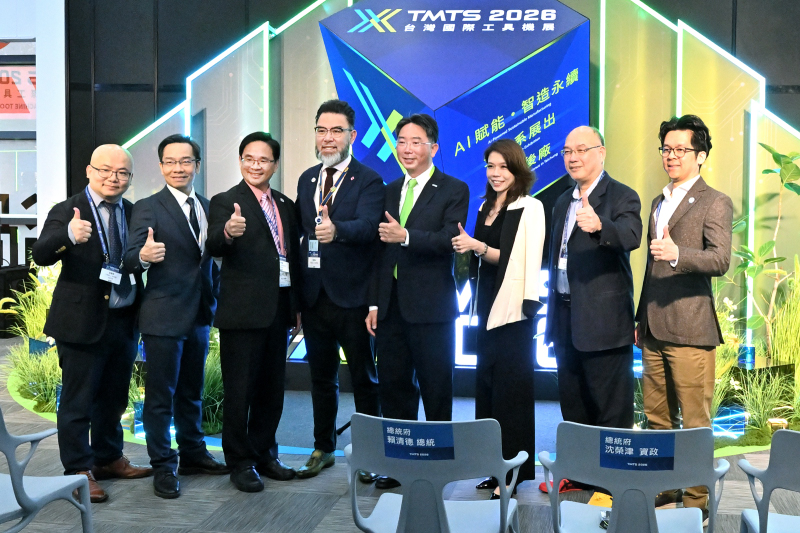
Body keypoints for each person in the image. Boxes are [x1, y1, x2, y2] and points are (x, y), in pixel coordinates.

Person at [32, 145, 152, 503]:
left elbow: (133, 259)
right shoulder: (67, 210)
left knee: (114, 398)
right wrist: (67, 237)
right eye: (105, 170)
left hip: (124, 320)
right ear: (89, 171)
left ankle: (108, 457)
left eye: (122, 173)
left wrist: (145, 259)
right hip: (81, 323)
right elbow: (41, 254)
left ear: (130, 178)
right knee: (78, 401)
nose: (113, 178)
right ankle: (78, 469)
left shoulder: (133, 212)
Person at [635, 115, 732, 519]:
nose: (671, 156)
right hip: (653, 327)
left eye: (680, 149)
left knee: (694, 423)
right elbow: (650, 268)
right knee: (657, 418)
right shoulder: (658, 202)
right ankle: (664, 486)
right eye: (666, 149)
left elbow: (720, 259)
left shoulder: (715, 201)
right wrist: (639, 318)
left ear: (701, 155)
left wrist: (679, 254)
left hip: (692, 328)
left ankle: (696, 502)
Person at [366, 113, 469, 489]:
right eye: (401, 142)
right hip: (390, 306)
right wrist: (374, 304)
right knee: (393, 387)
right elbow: (380, 252)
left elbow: (449, 240)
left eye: (415, 142)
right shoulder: (389, 189)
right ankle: (399, 464)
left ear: (433, 148)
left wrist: (406, 236)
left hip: (432, 307)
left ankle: (439, 465)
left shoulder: (453, 189)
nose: (407, 149)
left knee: (436, 387)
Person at [124, 134, 226, 499]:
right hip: (163, 314)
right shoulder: (148, 207)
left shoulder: (209, 206)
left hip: (199, 313)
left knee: (191, 392)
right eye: (170, 161)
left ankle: (193, 453)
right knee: (160, 397)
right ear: (161, 166)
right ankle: (163, 465)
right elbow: (129, 258)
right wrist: (143, 256)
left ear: (197, 165)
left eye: (185, 161)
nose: (178, 168)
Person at [542, 126, 642, 493]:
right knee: (574, 402)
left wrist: (601, 226)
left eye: (581, 149)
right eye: (567, 151)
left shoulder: (621, 195)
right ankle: (580, 473)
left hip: (604, 322)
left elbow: (632, 236)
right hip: (565, 317)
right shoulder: (561, 201)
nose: (573, 157)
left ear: (601, 152)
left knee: (610, 406)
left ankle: (614, 482)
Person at [294, 100, 384, 481]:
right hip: (315, 297)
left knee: (364, 379)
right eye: (321, 130)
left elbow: (369, 227)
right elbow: (302, 236)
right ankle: (323, 447)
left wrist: (337, 231)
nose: (327, 138)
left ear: (352, 135)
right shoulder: (306, 179)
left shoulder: (369, 180)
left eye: (336, 131)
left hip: (354, 298)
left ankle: (370, 454)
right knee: (321, 378)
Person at [206, 132, 301, 492]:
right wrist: (228, 232)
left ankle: (265, 454)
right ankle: (240, 462)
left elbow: (290, 257)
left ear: (275, 165)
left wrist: (296, 307)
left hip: (279, 309)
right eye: (249, 158)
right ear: (240, 160)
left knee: (271, 390)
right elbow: (214, 243)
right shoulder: (225, 201)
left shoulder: (285, 204)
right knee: (240, 391)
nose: (255, 165)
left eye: (263, 160)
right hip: (242, 313)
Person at [451, 139, 545, 499]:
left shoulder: (530, 207)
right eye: (490, 166)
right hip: (485, 306)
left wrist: (477, 246)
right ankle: (493, 469)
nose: (495, 173)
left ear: (517, 169)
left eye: (503, 166)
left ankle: (515, 473)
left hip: (514, 310)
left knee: (512, 395)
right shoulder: (484, 207)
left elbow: (519, 261)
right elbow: (480, 259)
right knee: (488, 392)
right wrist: (469, 250)